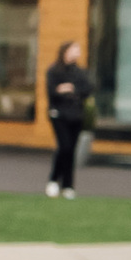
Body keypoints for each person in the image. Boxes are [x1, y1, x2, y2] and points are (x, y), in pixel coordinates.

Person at [46, 38, 93, 194]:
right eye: (75, 49)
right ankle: (53, 180)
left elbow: (88, 89)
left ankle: (68, 185)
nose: (77, 53)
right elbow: (51, 92)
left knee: (71, 150)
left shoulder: (79, 72)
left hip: (76, 116)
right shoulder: (54, 71)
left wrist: (72, 89)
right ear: (66, 51)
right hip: (59, 115)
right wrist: (61, 90)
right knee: (64, 146)